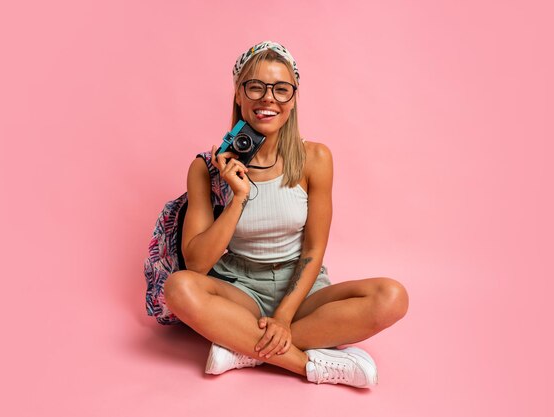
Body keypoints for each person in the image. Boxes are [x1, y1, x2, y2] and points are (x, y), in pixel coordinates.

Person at [164, 41, 409, 388]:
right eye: (256, 87)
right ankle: (309, 366)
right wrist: (238, 197)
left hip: (303, 289)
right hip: (240, 290)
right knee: (179, 288)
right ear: (239, 95)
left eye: (281, 89)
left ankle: (243, 348)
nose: (269, 99)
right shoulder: (206, 168)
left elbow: (313, 250)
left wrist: (282, 317)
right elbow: (197, 265)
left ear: (293, 99)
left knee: (392, 296)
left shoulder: (316, 158)